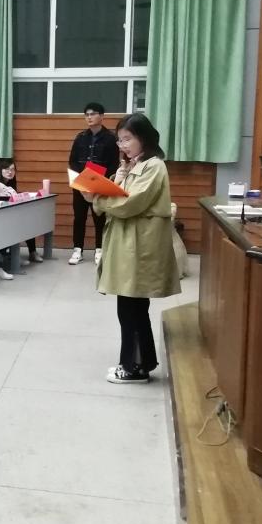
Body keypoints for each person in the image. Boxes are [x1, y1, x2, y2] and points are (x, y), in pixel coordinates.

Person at [86, 114, 180, 384]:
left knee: (132, 307)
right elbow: (114, 194)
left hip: (139, 245)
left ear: (144, 138)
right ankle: (140, 362)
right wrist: (106, 186)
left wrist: (98, 200)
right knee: (130, 306)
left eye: (127, 139)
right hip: (127, 242)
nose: (123, 145)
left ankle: (135, 368)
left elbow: (129, 203)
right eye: (120, 140)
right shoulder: (132, 165)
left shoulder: (154, 166)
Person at [68, 102, 118, 266]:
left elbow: (113, 163)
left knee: (100, 217)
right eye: (87, 115)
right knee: (79, 217)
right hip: (81, 184)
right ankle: (77, 249)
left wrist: (101, 180)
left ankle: (99, 249)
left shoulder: (111, 138)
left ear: (101, 116)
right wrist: (81, 177)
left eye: (93, 114)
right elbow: (73, 161)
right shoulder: (81, 137)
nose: (89, 117)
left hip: (100, 184)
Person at [0, 159, 42, 263]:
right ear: (0, 170)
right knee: (17, 224)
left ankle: (32, 252)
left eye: (12, 169)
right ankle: (10, 255)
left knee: (27, 222)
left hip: (10, 214)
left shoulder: (11, 183)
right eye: (7, 169)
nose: (10, 172)